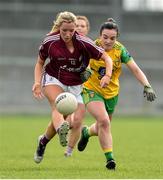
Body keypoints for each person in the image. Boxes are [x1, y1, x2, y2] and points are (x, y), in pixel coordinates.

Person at [32, 11, 113, 164]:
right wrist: (37, 82)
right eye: (64, 30)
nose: (68, 34)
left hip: (76, 85)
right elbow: (40, 63)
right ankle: (60, 131)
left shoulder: (84, 42)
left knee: (72, 121)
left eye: (71, 30)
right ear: (59, 27)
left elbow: (106, 58)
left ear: (75, 28)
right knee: (57, 106)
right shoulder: (50, 41)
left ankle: (43, 141)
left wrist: (107, 75)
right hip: (53, 78)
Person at [77, 18, 156, 170]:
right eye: (105, 37)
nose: (108, 41)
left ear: (117, 38)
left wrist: (147, 86)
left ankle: (86, 132)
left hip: (112, 93)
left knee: (103, 126)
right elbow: (84, 64)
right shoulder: (92, 46)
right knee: (104, 121)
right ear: (100, 36)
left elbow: (135, 69)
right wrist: (85, 71)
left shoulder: (120, 50)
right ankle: (110, 160)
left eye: (112, 38)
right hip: (91, 90)